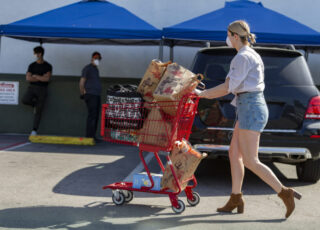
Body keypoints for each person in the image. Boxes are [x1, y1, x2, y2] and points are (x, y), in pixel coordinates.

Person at [198, 20, 302, 219]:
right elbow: (232, 85)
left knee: (250, 160)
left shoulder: (242, 57)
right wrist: (205, 93)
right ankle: (236, 197)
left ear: (235, 36)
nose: (227, 39)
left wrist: (201, 94)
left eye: (228, 35)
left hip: (250, 109)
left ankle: (284, 192)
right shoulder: (249, 54)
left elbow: (227, 87)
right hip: (249, 107)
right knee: (234, 153)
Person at [22, 46, 52, 136]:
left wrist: (35, 76)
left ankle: (34, 130)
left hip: (43, 89)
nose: (36, 55)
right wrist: (40, 77)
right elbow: (28, 78)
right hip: (32, 88)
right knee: (25, 100)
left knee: (39, 111)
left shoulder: (48, 66)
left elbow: (47, 79)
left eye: (37, 53)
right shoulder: (32, 65)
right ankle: (34, 104)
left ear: (41, 54)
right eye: (35, 53)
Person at [79, 51, 102, 141]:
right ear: (92, 58)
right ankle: (89, 136)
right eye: (95, 58)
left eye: (99, 59)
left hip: (96, 94)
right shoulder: (87, 68)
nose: (97, 60)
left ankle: (93, 135)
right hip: (90, 94)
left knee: (95, 115)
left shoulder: (95, 69)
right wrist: (82, 93)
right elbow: (81, 82)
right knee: (92, 115)